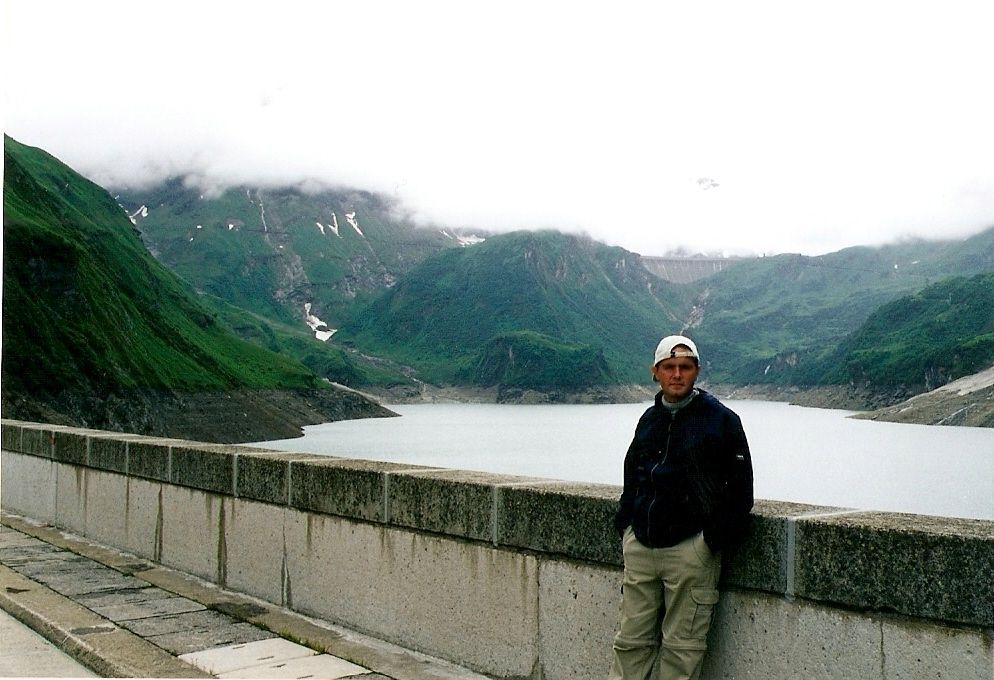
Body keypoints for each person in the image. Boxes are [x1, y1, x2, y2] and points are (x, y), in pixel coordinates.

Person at [608, 334, 753, 680]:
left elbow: (741, 492)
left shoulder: (722, 420)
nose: (677, 374)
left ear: (697, 371)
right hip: (642, 547)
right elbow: (632, 474)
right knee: (630, 643)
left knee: (682, 650)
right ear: (655, 372)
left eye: (685, 367)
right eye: (669, 367)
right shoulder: (649, 419)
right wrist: (627, 526)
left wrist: (708, 543)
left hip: (691, 551)